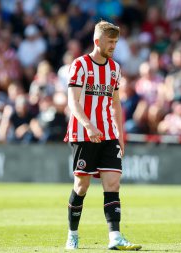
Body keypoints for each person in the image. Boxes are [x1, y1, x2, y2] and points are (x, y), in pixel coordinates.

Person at [64, 20, 142, 251]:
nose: (113, 46)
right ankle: (72, 235)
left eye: (116, 42)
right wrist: (88, 125)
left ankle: (115, 236)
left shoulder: (115, 68)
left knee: (113, 182)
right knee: (82, 185)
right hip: (83, 133)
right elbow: (73, 101)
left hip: (108, 133)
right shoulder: (80, 65)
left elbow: (116, 105)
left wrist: (120, 135)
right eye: (110, 42)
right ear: (97, 41)